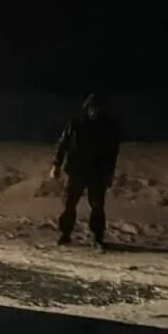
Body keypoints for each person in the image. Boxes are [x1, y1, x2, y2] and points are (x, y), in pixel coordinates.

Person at [49, 94, 121, 248]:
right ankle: (65, 234)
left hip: (97, 172)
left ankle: (97, 237)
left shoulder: (107, 127)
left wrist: (109, 173)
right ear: (87, 109)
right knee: (69, 204)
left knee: (97, 206)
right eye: (92, 108)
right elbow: (62, 144)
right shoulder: (76, 124)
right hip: (76, 171)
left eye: (98, 109)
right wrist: (56, 165)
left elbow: (112, 153)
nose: (94, 112)